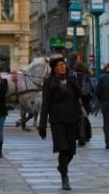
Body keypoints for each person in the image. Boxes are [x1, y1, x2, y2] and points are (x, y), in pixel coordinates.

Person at [39, 55, 83, 191]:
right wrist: (42, 124)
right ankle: (65, 177)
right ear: (54, 68)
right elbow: (45, 103)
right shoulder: (48, 81)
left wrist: (73, 82)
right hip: (57, 119)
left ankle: (61, 167)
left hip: (72, 117)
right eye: (59, 65)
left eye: (63, 65)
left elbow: (81, 94)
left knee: (71, 150)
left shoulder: (72, 78)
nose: (62, 67)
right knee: (63, 147)